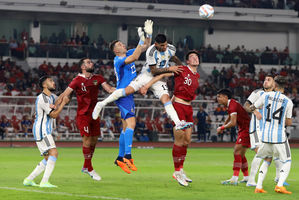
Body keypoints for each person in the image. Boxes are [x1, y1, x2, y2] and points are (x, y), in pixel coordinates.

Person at [92, 33, 193, 131]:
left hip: (159, 79)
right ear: (156, 44)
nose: (165, 47)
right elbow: (154, 70)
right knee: (128, 91)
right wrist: (170, 68)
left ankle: (178, 123)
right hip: (147, 75)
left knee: (166, 98)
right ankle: (101, 103)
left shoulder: (171, 48)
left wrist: (182, 68)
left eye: (166, 44)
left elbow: (173, 57)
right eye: (162, 45)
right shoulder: (151, 52)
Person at [96, 20, 152, 174]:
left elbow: (146, 46)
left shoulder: (127, 53)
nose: (123, 45)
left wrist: (149, 33)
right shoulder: (118, 60)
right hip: (123, 94)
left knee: (125, 127)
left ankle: (120, 158)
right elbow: (135, 57)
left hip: (127, 93)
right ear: (116, 50)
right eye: (119, 44)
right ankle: (128, 155)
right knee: (132, 123)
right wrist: (140, 39)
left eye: (122, 43)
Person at [140, 50, 200, 187]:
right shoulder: (181, 69)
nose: (195, 58)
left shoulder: (197, 75)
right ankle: (177, 171)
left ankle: (181, 169)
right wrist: (147, 85)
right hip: (179, 106)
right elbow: (162, 75)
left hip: (189, 108)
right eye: (192, 57)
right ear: (188, 61)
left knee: (187, 140)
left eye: (196, 57)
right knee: (179, 139)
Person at [56, 57, 115, 181]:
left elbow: (109, 89)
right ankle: (90, 168)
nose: (91, 63)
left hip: (95, 114)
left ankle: (85, 166)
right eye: (88, 62)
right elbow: (65, 94)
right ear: (83, 67)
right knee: (87, 140)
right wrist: (54, 105)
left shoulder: (98, 78)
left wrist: (122, 91)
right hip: (83, 115)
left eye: (91, 62)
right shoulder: (77, 80)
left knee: (94, 140)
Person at [23, 75, 69, 188]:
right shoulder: (42, 98)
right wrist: (63, 104)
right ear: (44, 85)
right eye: (50, 81)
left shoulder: (51, 97)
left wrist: (70, 89)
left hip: (41, 129)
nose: (53, 82)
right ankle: (44, 182)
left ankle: (29, 179)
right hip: (42, 129)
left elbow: (59, 99)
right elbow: (53, 114)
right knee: (54, 153)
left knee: (48, 158)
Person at [244, 74, 289, 187]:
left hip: (268, 130)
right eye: (265, 79)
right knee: (261, 154)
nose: (265, 81)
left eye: (269, 80)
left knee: (275, 154)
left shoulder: (274, 96)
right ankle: (251, 180)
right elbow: (246, 105)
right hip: (256, 128)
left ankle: (278, 178)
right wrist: (255, 112)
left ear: (274, 84)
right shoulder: (258, 93)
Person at [216, 89, 251, 185]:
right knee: (241, 154)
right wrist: (223, 124)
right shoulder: (231, 104)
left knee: (236, 152)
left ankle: (234, 178)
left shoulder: (232, 105)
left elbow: (233, 122)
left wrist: (222, 127)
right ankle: (246, 177)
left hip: (246, 129)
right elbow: (229, 117)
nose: (217, 98)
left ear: (225, 97)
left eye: (219, 96)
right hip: (244, 128)